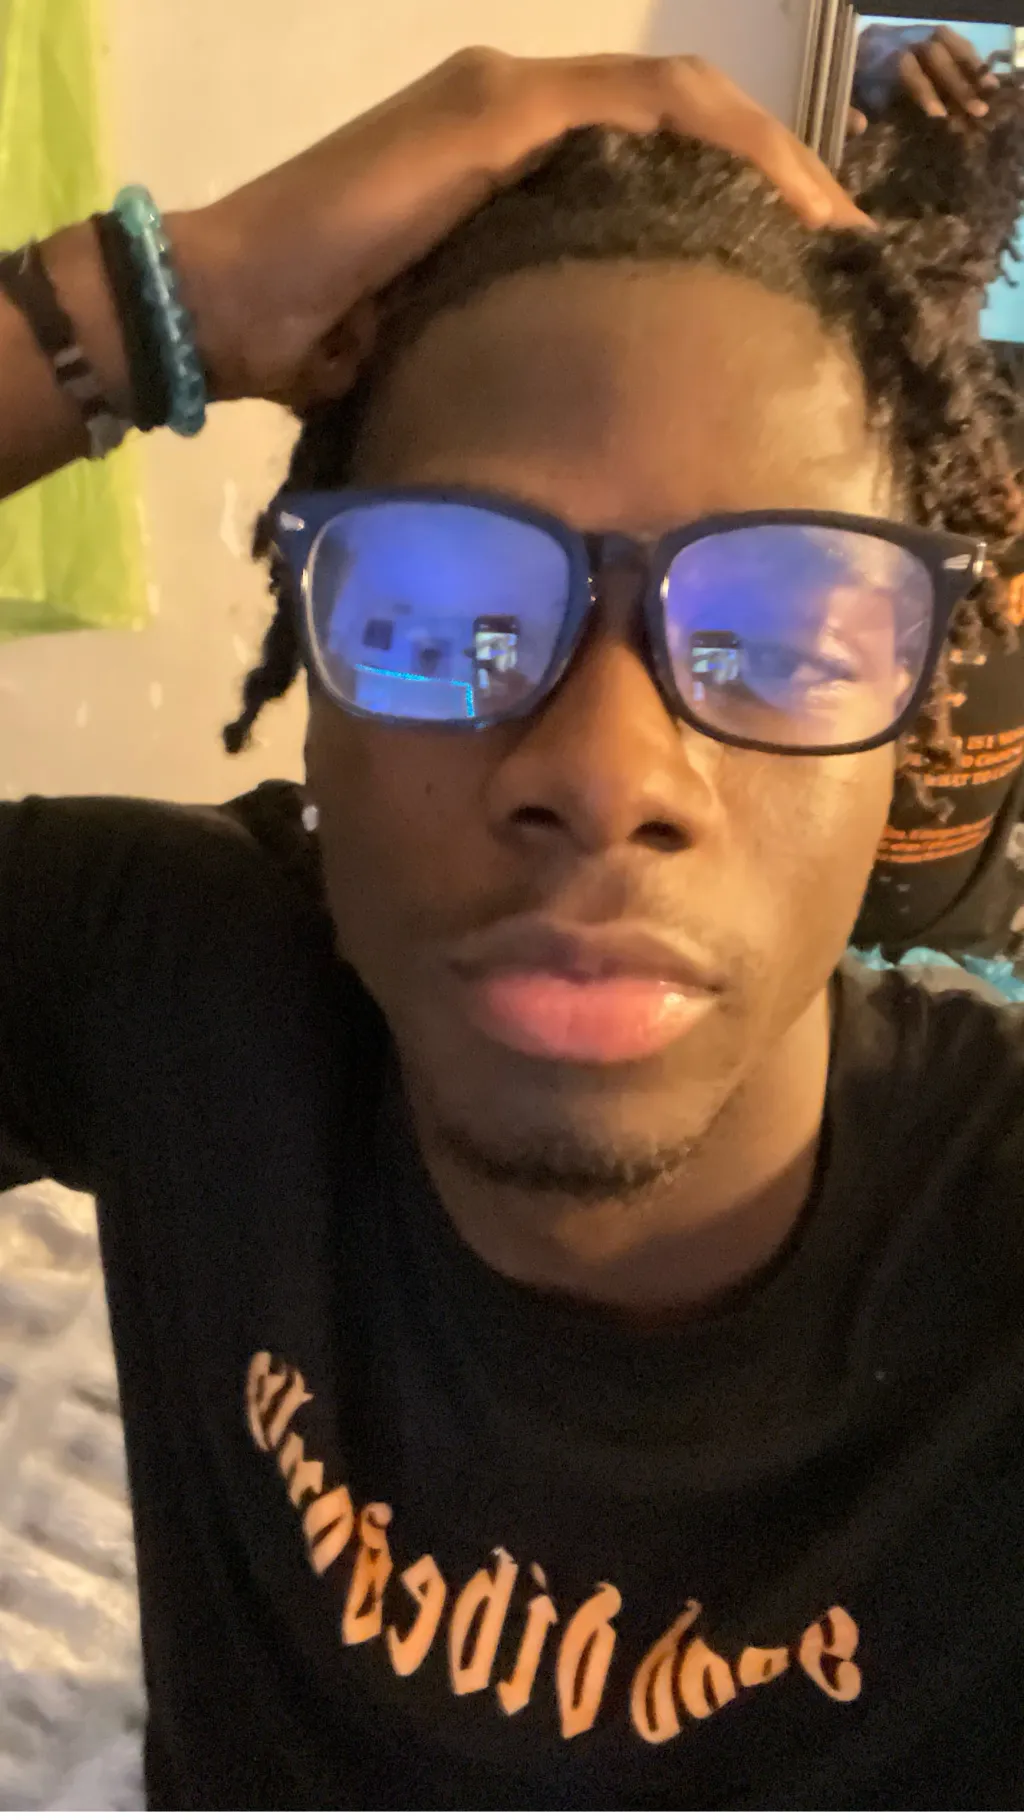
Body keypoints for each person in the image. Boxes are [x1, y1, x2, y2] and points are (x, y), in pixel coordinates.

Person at [1, 45, 1023, 1812]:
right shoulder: (175, 984)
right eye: (440, 608)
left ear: (909, 731)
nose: (604, 772)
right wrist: (163, 303)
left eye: (780, 636)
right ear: (309, 682)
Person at [839, 48, 1024, 971]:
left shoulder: (1004, 420)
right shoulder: (795, 438)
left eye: (958, 263)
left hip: (969, 955)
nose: (927, 312)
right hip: (800, 947)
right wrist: (856, 65)